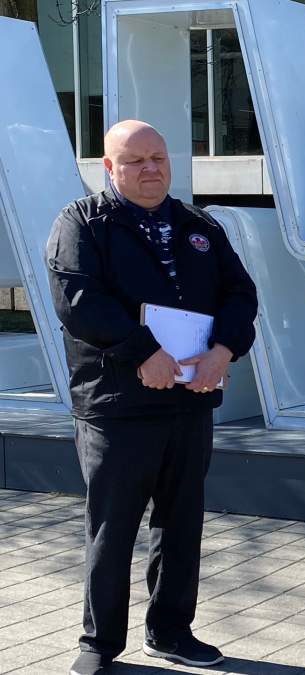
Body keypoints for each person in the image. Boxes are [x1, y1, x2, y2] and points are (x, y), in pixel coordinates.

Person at [45, 120, 258, 675]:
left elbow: (240, 293)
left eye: (158, 158)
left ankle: (171, 632)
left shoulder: (198, 225)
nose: (151, 169)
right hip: (117, 404)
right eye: (135, 160)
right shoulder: (81, 223)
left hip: (189, 400)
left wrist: (223, 351)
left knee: (182, 524)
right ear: (109, 168)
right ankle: (98, 643)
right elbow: (79, 300)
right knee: (113, 528)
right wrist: (143, 351)